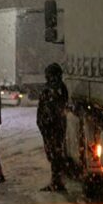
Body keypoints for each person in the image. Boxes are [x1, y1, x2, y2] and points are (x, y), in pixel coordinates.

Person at [37, 63, 69, 192]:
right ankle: (56, 181)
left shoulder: (56, 88)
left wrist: (47, 123)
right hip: (50, 127)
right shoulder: (54, 88)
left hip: (52, 128)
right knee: (53, 154)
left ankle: (57, 182)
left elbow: (54, 108)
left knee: (54, 155)